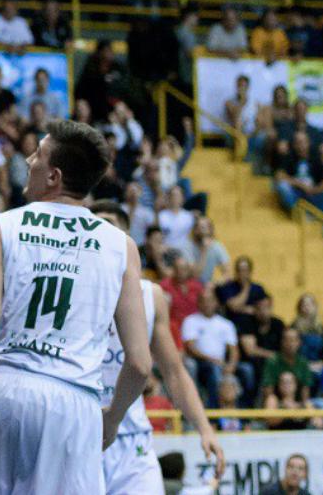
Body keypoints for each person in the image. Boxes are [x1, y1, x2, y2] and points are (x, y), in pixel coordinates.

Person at [0, 121, 151, 492]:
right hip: (73, 402)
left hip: (4, 390)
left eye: (37, 153)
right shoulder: (122, 247)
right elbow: (138, 362)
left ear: (53, 176)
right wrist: (113, 419)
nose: (28, 158)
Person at [92, 201, 224, 494]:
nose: (101, 232)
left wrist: (204, 428)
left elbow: (174, 372)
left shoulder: (150, 296)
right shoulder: (70, 289)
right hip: (82, 435)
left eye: (109, 224)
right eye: (95, 225)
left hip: (131, 439)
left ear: (127, 236)